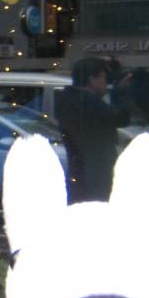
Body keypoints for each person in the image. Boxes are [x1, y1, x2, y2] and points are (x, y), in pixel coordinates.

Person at [56, 56, 131, 203]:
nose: (106, 82)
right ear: (92, 79)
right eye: (103, 77)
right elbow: (120, 118)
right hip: (96, 174)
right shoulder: (87, 102)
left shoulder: (67, 99)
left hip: (79, 171)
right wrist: (120, 93)